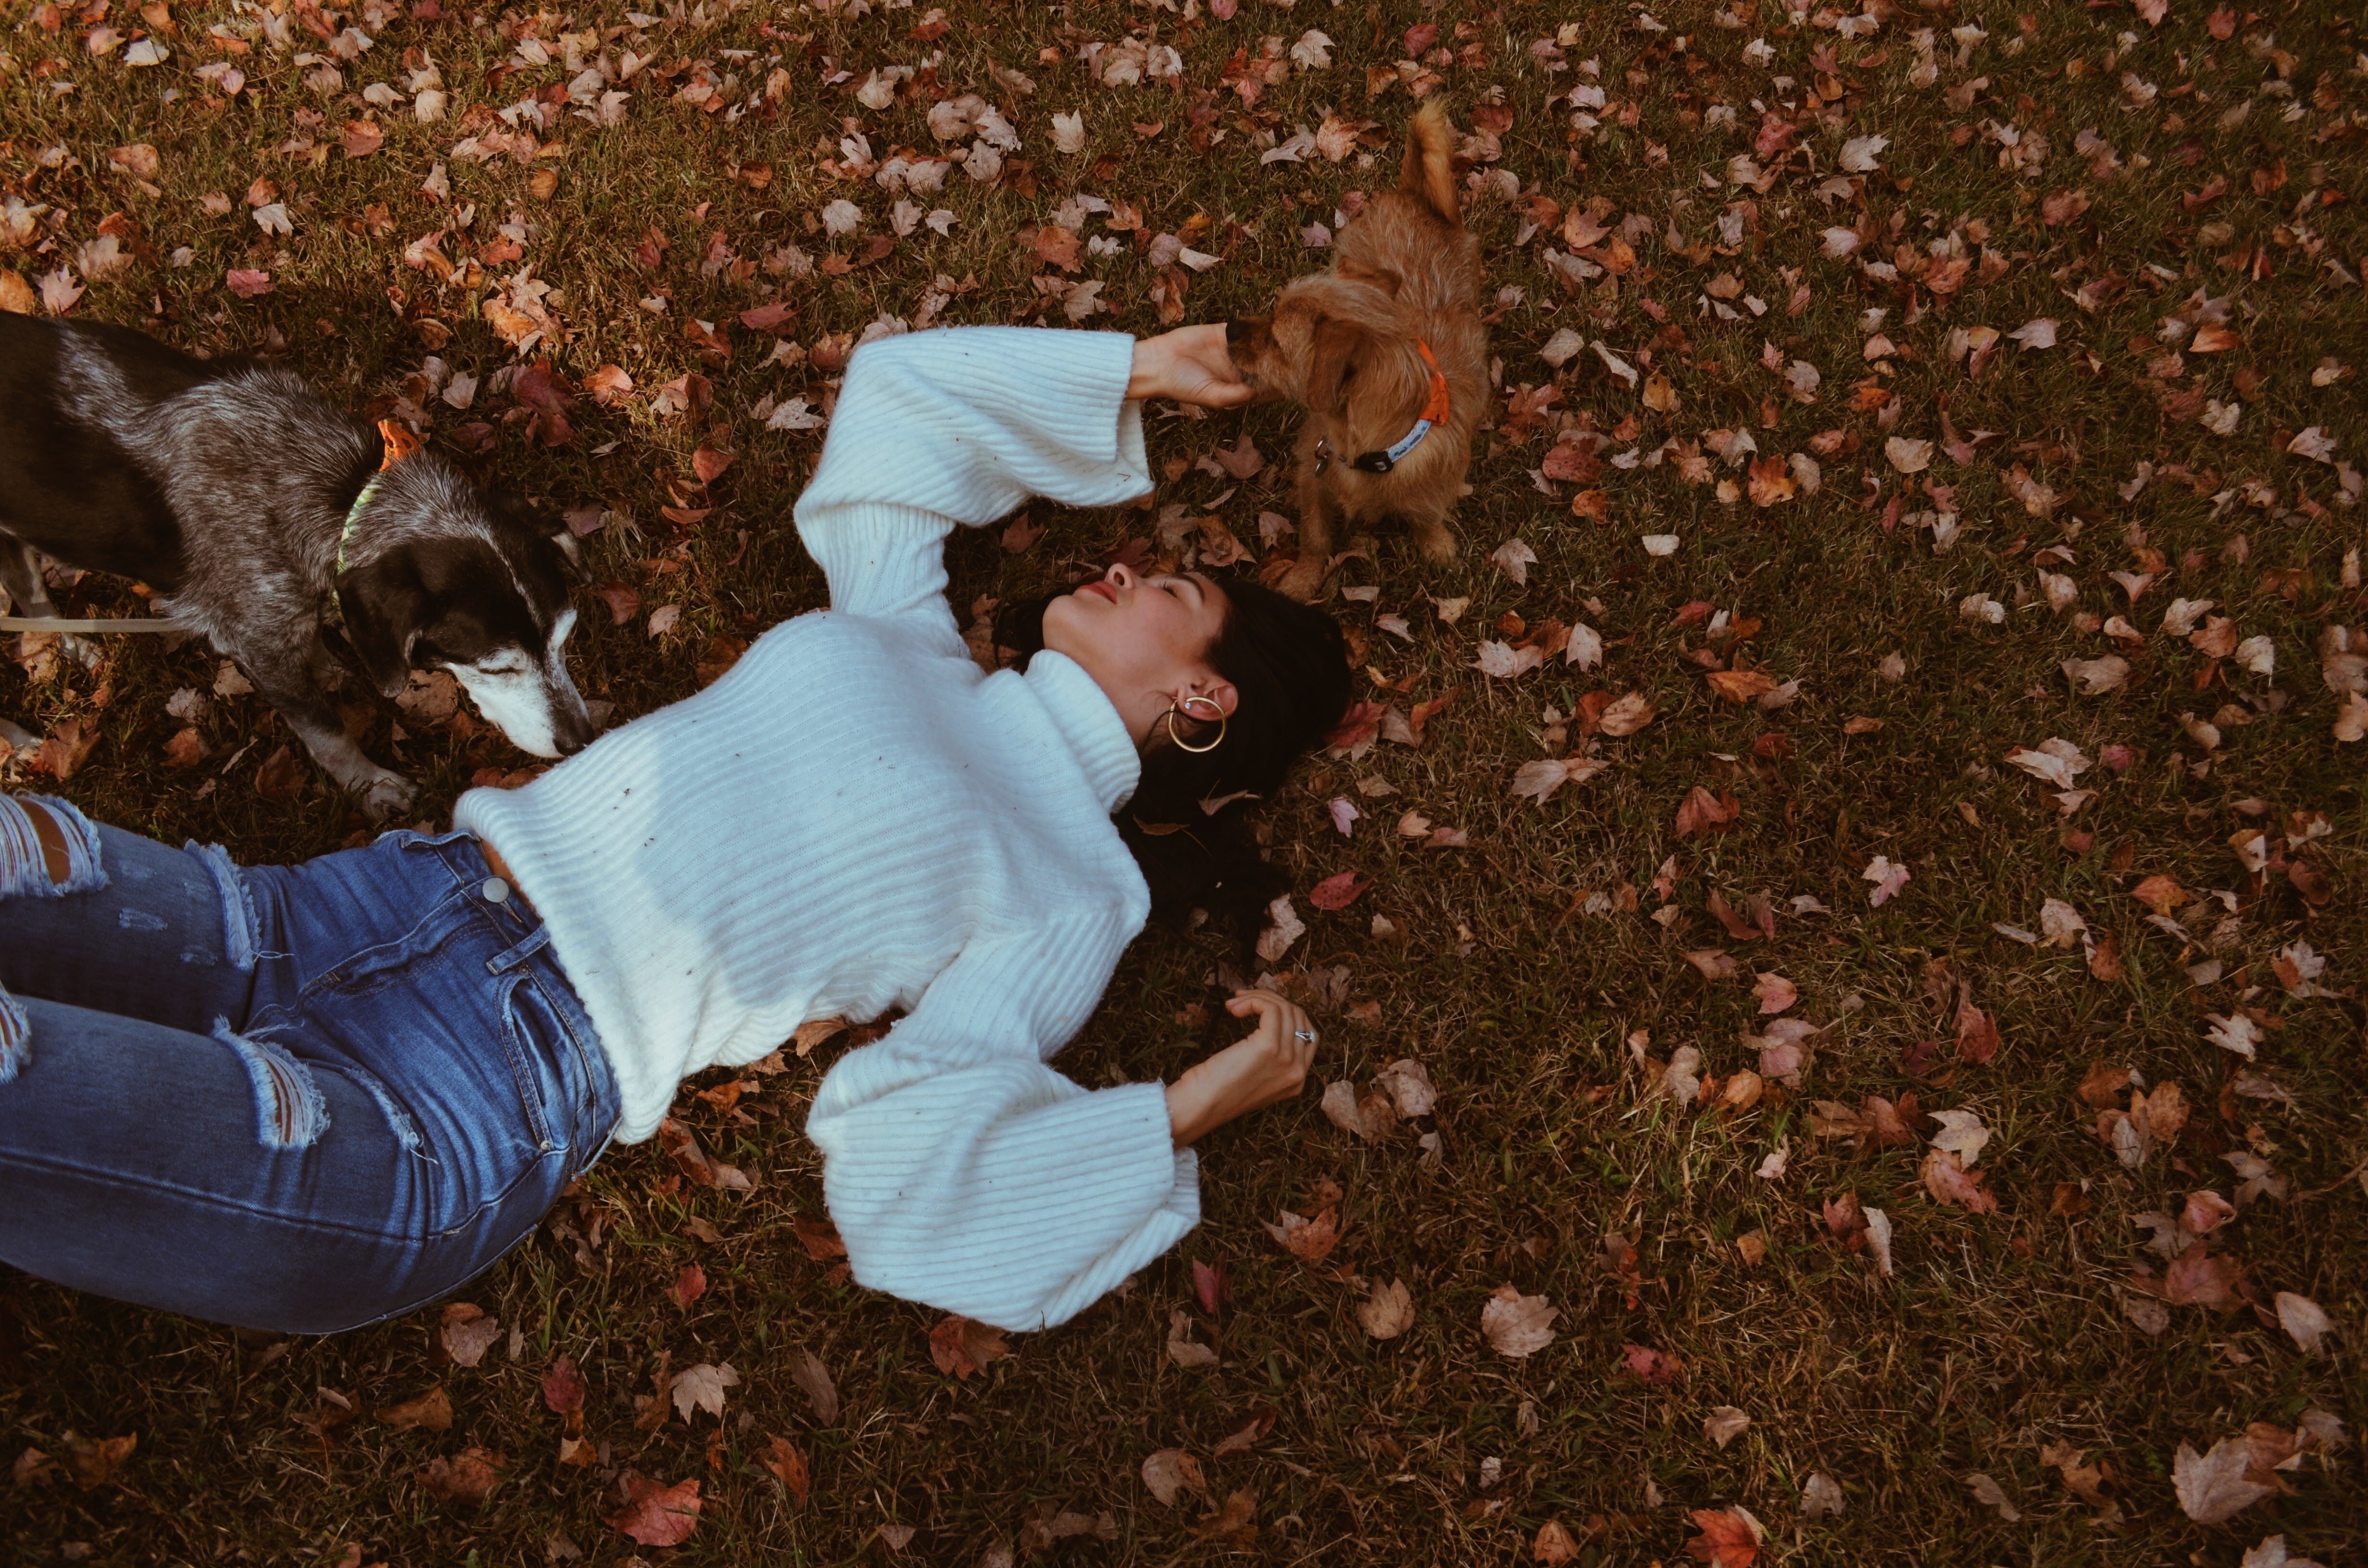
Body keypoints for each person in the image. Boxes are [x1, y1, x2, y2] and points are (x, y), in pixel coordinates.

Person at [0, 324, 1352, 1335]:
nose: (1120, 562)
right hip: (357, 909)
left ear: (1203, 695)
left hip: (456, 1107)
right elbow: (899, 399)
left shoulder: (1078, 889)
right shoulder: (906, 627)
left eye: (1166, 584)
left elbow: (907, 1157)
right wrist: (1130, 371)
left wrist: (1171, 1117)